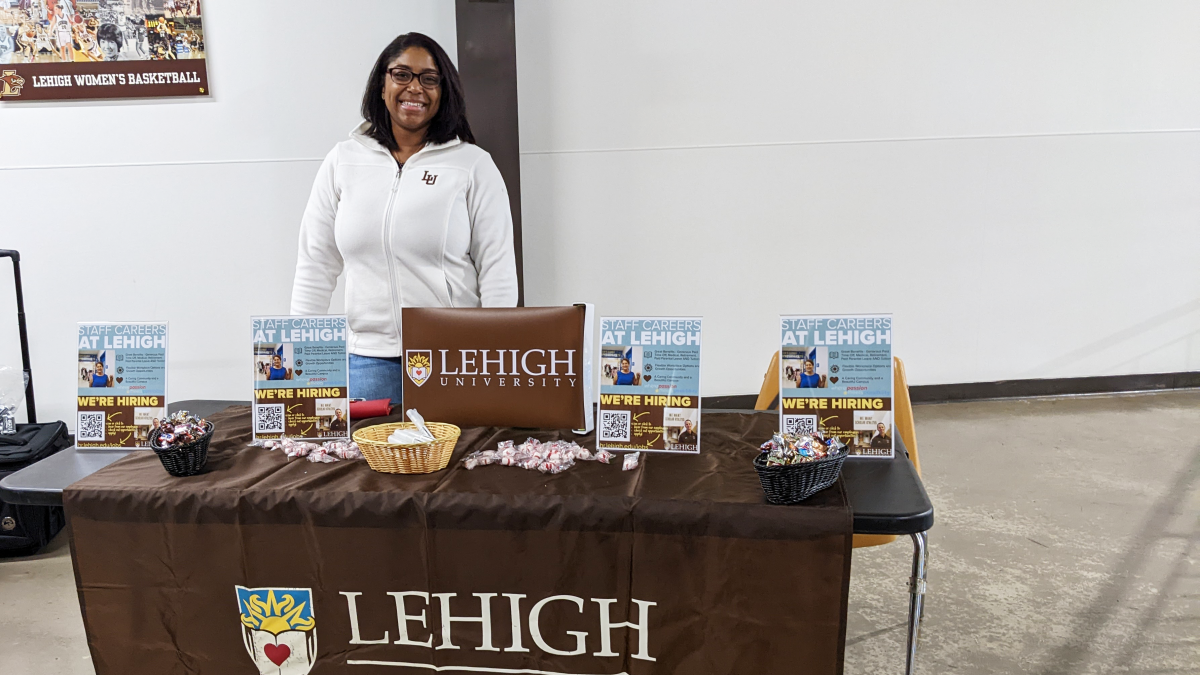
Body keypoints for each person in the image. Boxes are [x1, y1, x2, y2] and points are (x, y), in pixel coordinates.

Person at [290, 33, 517, 407]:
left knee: (459, 461)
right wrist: (298, 350)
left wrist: (492, 356)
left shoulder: (472, 165)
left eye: (429, 79)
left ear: (444, 92)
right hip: (368, 359)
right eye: (402, 74)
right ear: (382, 85)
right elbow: (316, 262)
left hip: (454, 358)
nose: (415, 88)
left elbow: (497, 270)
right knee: (369, 465)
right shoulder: (342, 161)